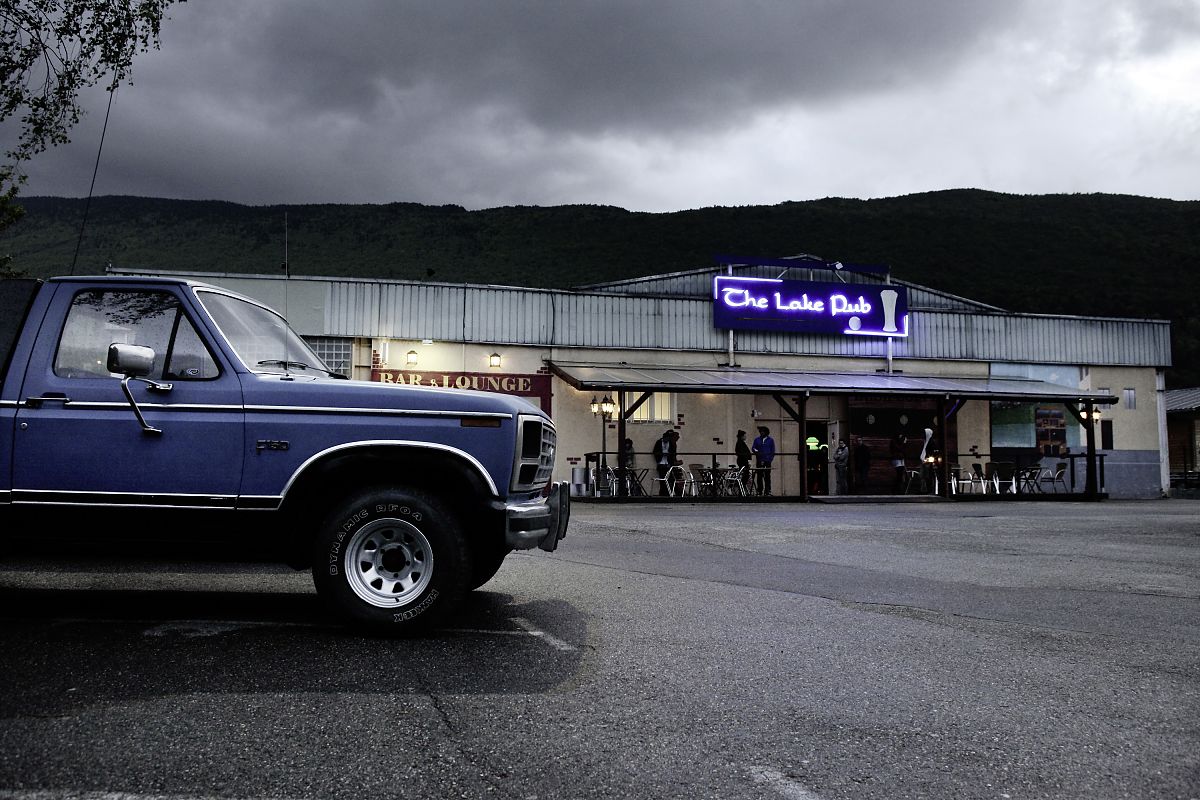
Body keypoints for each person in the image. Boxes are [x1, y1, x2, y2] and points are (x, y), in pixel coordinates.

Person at [652, 429, 680, 496]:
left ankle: (668, 493)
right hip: (661, 463)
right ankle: (662, 494)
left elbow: (673, 453)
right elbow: (655, 451)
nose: (667, 440)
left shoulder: (671, 443)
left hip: (668, 463)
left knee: (669, 479)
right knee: (662, 480)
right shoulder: (659, 442)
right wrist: (661, 455)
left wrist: (670, 459)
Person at [751, 426, 776, 495]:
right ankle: (760, 491)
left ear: (766, 432)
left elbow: (773, 450)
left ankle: (767, 491)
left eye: (763, 431)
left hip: (767, 461)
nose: (761, 433)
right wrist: (757, 452)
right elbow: (753, 448)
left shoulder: (771, 440)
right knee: (759, 476)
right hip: (759, 460)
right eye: (761, 431)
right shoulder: (757, 440)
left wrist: (770, 459)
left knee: (767, 476)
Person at [735, 429, 752, 493]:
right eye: (744, 436)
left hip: (742, 460)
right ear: (742, 436)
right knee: (745, 475)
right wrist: (747, 459)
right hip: (743, 461)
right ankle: (742, 487)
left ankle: (742, 488)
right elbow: (742, 453)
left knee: (745, 474)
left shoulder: (740, 443)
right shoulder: (740, 443)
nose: (745, 437)